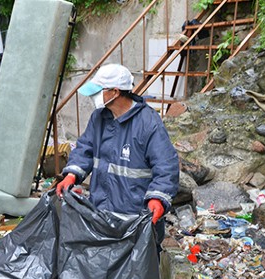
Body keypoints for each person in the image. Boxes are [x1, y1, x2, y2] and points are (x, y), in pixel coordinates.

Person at [56, 64, 179, 248]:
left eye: (98, 91)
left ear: (115, 92)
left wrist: (158, 199)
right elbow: (85, 149)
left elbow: (166, 167)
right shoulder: (99, 118)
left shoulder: (148, 123)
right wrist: (72, 175)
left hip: (134, 220)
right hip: (102, 214)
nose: (92, 96)